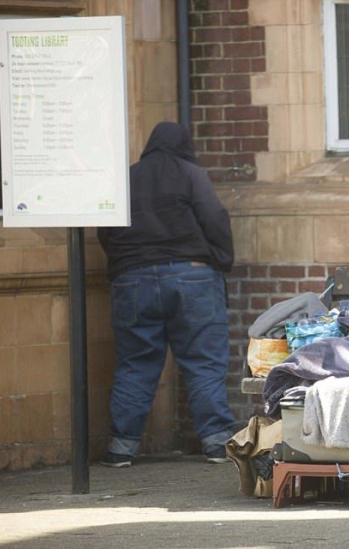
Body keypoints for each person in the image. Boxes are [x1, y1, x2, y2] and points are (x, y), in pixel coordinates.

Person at [97, 122, 236, 467]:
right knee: (203, 362)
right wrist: (221, 258)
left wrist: (123, 264)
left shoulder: (126, 179)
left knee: (136, 363)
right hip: (192, 276)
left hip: (133, 278)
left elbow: (104, 227)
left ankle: (121, 448)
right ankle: (217, 444)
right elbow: (215, 217)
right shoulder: (190, 174)